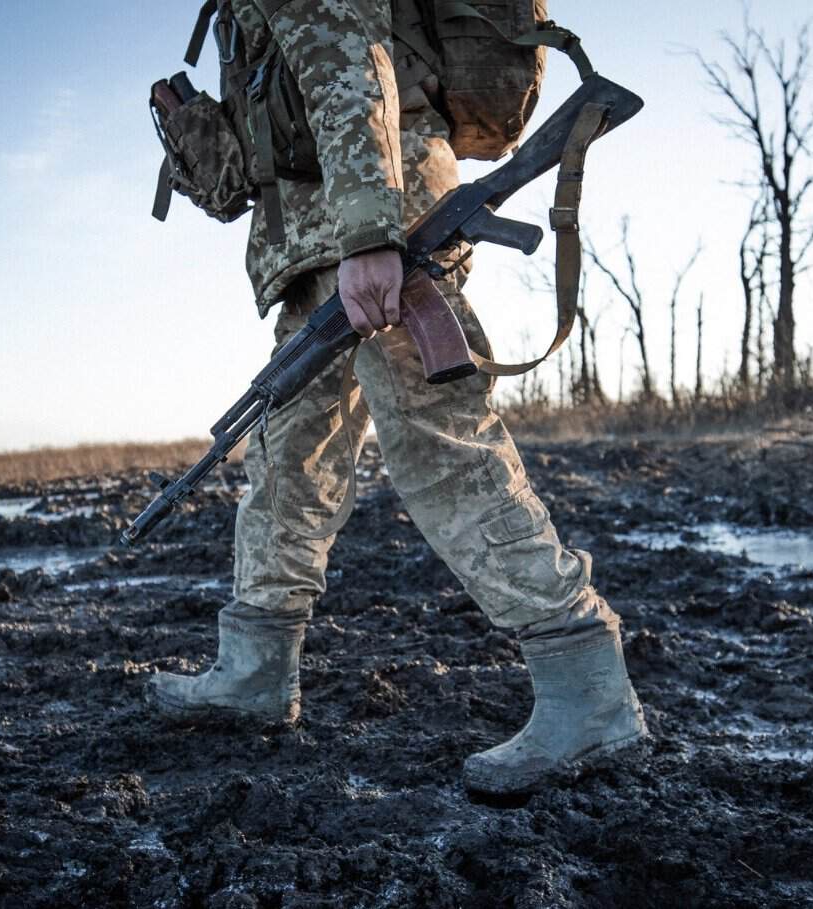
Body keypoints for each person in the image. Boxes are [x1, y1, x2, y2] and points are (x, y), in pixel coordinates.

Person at [143, 1, 648, 795]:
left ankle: (585, 685)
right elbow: (267, 143)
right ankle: (254, 670)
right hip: (320, 247)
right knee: (287, 463)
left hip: (379, 228)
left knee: (439, 447)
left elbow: (353, 67)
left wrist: (372, 235)